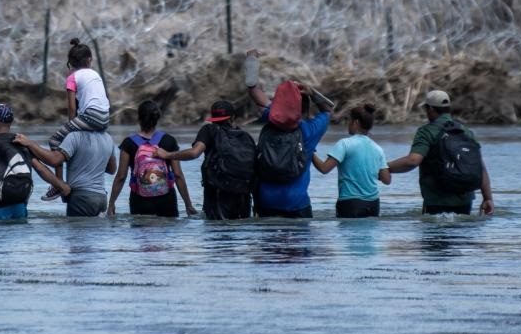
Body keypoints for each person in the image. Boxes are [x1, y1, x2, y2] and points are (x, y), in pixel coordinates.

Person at [388, 90, 494, 216]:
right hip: (465, 201)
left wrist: (384, 167)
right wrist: (488, 198)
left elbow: (413, 161)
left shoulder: (426, 132)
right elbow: (479, 167)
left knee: (434, 228)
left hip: (436, 200)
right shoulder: (465, 131)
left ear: (430, 109)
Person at [247, 63, 332, 219]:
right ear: (305, 110)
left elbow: (254, 90)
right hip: (297, 203)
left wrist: (251, 60)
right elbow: (327, 110)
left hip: (266, 201)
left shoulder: (271, 118)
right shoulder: (310, 130)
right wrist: (312, 92)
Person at [153, 100, 256, 220]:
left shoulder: (209, 130)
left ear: (213, 118)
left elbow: (194, 153)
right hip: (243, 195)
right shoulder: (244, 135)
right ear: (232, 117)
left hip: (217, 195)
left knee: (217, 229)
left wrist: (167, 155)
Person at [40, 38, 111, 201]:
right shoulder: (95, 75)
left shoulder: (72, 77)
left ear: (70, 63)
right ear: (90, 60)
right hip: (105, 118)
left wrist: (71, 129)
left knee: (55, 140)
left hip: (91, 116)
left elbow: (72, 108)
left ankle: (58, 185)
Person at [107, 100, 198, 218]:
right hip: (166, 199)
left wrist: (111, 203)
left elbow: (121, 177)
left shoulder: (128, 143)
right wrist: (188, 204)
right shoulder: (169, 140)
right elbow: (177, 174)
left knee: (142, 227)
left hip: (140, 200)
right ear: (157, 118)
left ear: (139, 118)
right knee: (168, 228)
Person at [15, 122, 116, 217]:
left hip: (81, 198)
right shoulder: (107, 137)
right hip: (102, 198)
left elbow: (54, 160)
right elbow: (112, 169)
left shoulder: (75, 136)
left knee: (76, 230)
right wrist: (91, 161)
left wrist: (29, 144)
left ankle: (58, 187)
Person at [310, 103, 391, 218]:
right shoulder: (378, 149)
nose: (348, 125)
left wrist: (310, 151)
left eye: (349, 121)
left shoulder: (344, 144)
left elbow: (324, 168)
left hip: (351, 203)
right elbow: (387, 180)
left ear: (356, 122)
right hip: (373, 204)